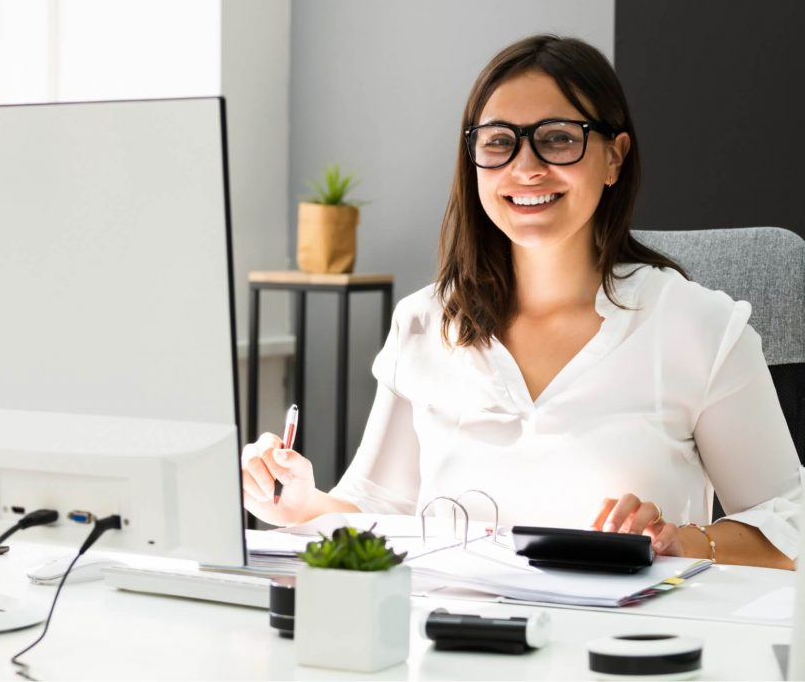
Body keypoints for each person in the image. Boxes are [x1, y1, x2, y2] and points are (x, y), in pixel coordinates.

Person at [241, 35, 802, 569]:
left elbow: (791, 523)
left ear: (614, 157)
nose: (526, 167)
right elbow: (379, 511)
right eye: (499, 141)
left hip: (622, 652)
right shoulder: (424, 321)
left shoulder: (699, 326)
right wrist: (300, 504)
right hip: (450, 645)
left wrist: (679, 541)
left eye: (558, 137)